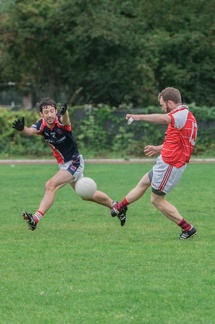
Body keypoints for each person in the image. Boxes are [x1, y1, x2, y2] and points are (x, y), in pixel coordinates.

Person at [12, 98, 127, 230]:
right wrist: (22, 129)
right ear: (41, 114)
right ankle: (117, 207)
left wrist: (65, 112)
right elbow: (29, 131)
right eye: (46, 112)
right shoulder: (41, 125)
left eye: (51, 111)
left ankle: (35, 219)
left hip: (74, 162)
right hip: (64, 165)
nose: (49, 115)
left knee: (50, 185)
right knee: (86, 195)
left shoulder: (60, 122)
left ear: (56, 111)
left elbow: (65, 119)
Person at [111, 87, 198, 239]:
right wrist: (158, 148)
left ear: (170, 102)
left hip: (171, 165)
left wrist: (138, 117)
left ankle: (187, 228)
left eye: (162, 104)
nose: (162, 108)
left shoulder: (180, 114)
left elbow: (165, 119)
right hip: (166, 162)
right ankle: (120, 207)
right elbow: (179, 142)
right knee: (144, 181)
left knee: (157, 200)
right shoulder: (186, 116)